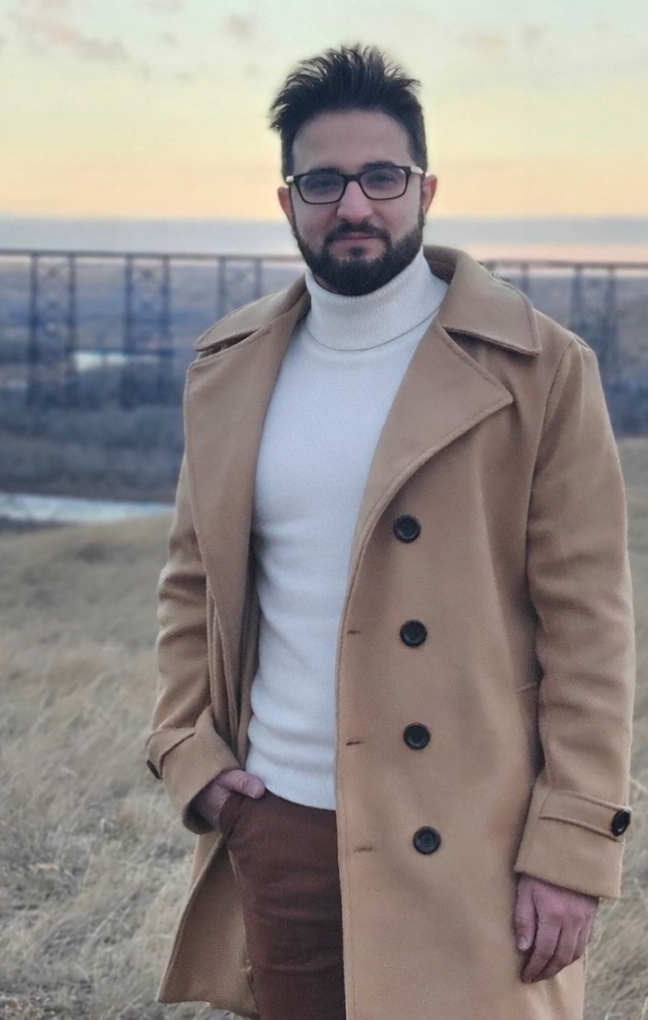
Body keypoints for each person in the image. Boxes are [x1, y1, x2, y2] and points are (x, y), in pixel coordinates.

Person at [146, 44, 634, 1020]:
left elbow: (590, 633)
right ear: (287, 201)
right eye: (323, 181)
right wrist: (188, 758)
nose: (354, 205)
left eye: (381, 177)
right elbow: (193, 580)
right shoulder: (229, 368)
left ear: (425, 188)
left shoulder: (539, 370)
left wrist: (572, 847)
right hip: (279, 827)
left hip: (474, 845)